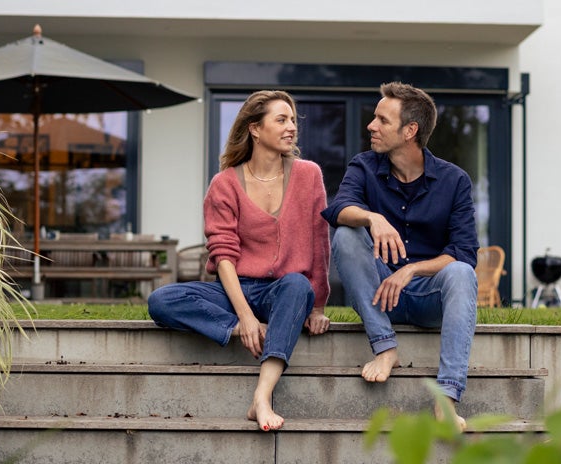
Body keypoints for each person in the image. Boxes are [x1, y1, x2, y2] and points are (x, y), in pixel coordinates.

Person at [148, 90, 331, 431]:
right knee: (162, 300)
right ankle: (265, 329)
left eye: (293, 120)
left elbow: (320, 241)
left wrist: (318, 305)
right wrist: (244, 320)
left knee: (297, 284)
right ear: (255, 129)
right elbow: (223, 256)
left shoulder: (309, 175)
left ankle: (261, 397)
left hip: (283, 290)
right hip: (236, 291)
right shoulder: (225, 183)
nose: (291, 126)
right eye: (281, 119)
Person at [323, 81, 478, 428]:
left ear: (410, 131)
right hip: (379, 294)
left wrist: (412, 271)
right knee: (348, 235)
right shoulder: (363, 166)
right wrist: (372, 218)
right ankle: (385, 347)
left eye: (382, 120)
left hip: (428, 296)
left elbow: (464, 252)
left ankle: (447, 399)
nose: (371, 126)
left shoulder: (455, 181)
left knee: (461, 273)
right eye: (374, 118)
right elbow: (338, 209)